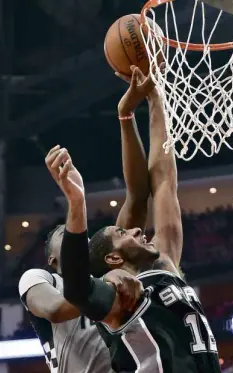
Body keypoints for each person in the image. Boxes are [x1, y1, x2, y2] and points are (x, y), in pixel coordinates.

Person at [59, 66, 222, 373]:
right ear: (112, 257)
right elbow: (78, 289)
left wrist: (154, 98)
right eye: (123, 231)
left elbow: (162, 181)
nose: (136, 228)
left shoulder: (165, 266)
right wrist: (77, 204)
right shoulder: (118, 295)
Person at [18, 145, 143, 373]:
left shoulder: (107, 272)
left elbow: (136, 199)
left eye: (82, 233)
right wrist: (77, 202)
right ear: (53, 260)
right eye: (66, 234)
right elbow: (55, 310)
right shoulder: (40, 278)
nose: (78, 235)